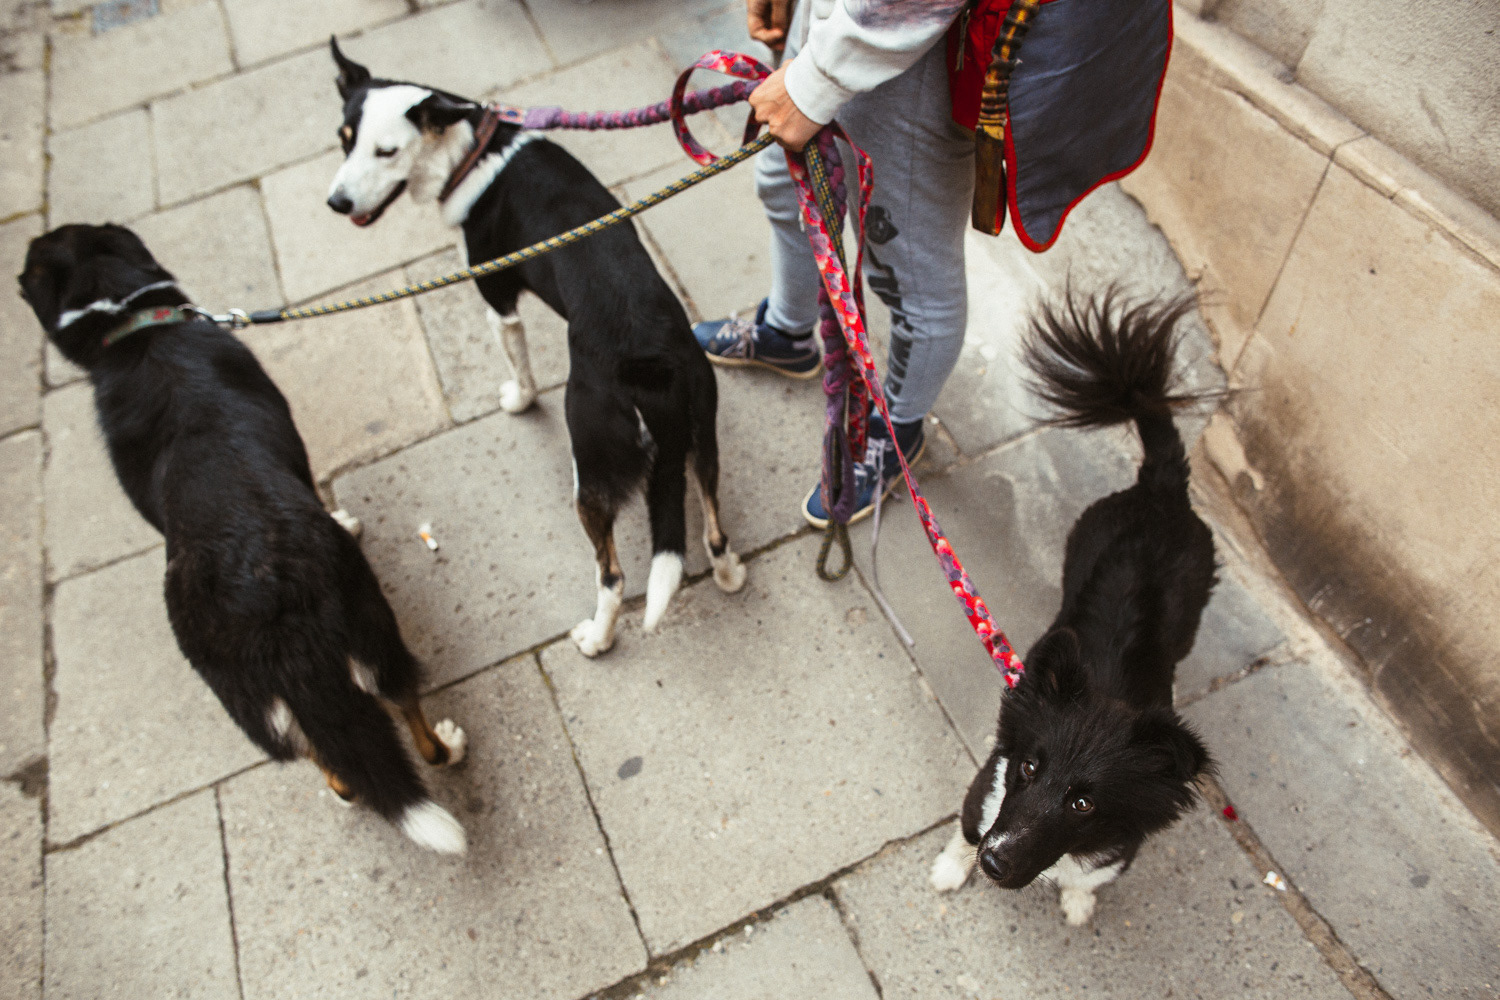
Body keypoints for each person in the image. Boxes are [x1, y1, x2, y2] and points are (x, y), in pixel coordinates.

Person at [694, 0, 974, 528]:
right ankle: (789, 332)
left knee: (909, 268)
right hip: (834, 18)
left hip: (917, 42)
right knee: (785, 183)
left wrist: (820, 78)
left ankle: (899, 428)